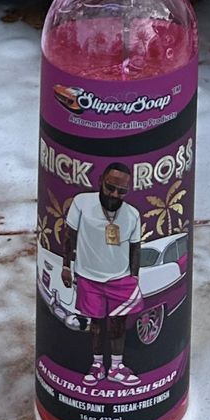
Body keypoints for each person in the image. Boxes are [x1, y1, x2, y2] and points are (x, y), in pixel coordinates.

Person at [60, 161, 145, 381]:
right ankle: (97, 365)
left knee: (118, 323)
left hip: (120, 277)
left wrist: (134, 277)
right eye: (110, 187)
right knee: (96, 324)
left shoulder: (132, 214)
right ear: (100, 182)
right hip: (89, 276)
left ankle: (116, 368)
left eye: (122, 191)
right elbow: (69, 236)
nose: (115, 194)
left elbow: (135, 248)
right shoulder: (82, 203)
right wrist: (66, 267)